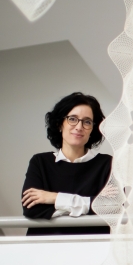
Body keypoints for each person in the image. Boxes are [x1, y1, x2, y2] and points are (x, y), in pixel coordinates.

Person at [21, 92, 112, 235]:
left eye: (87, 121)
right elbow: (32, 209)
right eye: (72, 119)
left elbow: (113, 207)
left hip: (91, 249)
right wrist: (91, 204)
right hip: (42, 249)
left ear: (93, 129)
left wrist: (54, 198)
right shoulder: (40, 162)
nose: (79, 126)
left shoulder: (108, 164)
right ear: (59, 124)